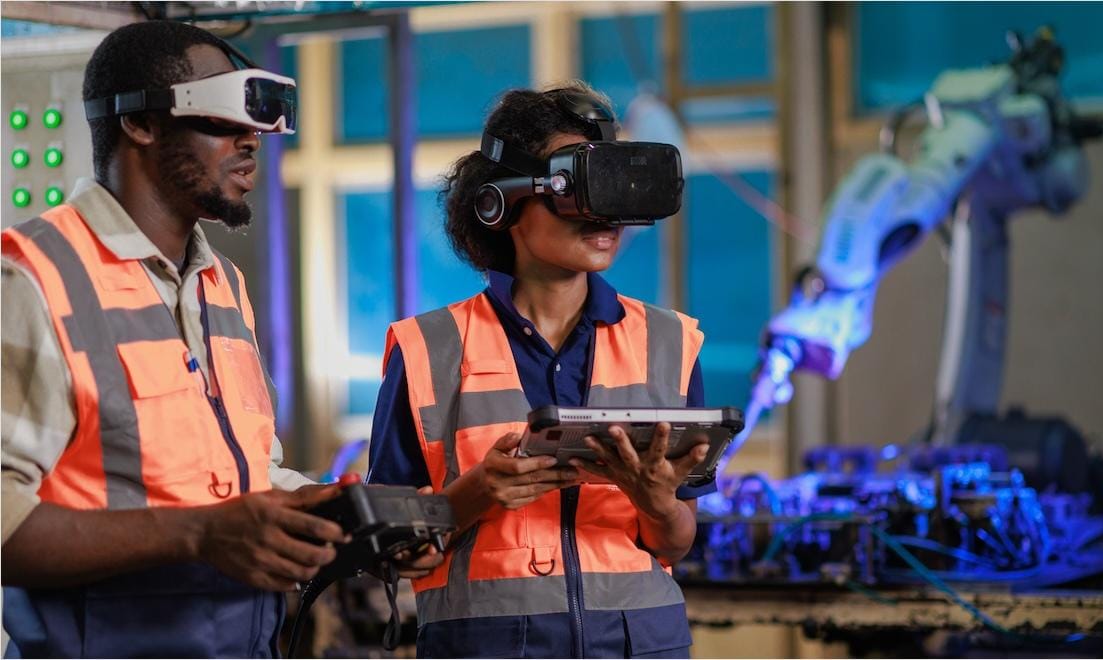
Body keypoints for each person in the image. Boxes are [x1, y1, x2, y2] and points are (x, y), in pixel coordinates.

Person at [0, 20, 440, 658]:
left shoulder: (222, 286)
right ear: (141, 123)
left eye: (258, 125)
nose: (252, 140)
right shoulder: (34, 278)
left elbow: (240, 479)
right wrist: (197, 535)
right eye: (225, 119)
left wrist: (333, 515)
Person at [367, 81, 712, 658]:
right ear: (498, 203)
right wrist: (472, 495)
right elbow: (386, 550)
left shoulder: (671, 343)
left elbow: (675, 544)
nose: (604, 215)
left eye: (614, 186)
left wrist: (658, 503)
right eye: (577, 188)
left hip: (641, 644)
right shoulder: (428, 349)